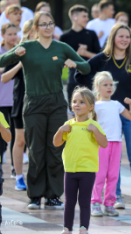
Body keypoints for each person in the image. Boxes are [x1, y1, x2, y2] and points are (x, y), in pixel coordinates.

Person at [0, 11, 91, 209]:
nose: (48, 27)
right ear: (35, 28)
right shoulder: (27, 47)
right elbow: (1, 61)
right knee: (36, 149)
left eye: (51, 23)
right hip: (33, 103)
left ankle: (52, 195)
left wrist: (74, 63)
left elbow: (86, 67)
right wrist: (14, 54)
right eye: (43, 24)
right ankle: (34, 195)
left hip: (57, 102)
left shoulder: (62, 47)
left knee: (56, 148)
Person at [75, 24, 131, 210]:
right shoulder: (101, 59)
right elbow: (80, 75)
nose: (124, 40)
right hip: (108, 113)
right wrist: (97, 89)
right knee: (110, 156)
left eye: (128, 36)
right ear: (113, 37)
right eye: (121, 36)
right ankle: (116, 195)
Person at [53, 87, 107, 234]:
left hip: (87, 170)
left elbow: (104, 143)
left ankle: (84, 227)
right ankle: (67, 228)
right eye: (74, 101)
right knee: (69, 202)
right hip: (70, 169)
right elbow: (56, 143)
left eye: (82, 102)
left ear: (91, 107)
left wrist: (95, 131)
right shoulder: (69, 125)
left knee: (84, 201)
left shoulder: (94, 125)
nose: (77, 104)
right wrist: (60, 130)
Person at [90, 72, 131, 217]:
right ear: (97, 87)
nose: (109, 87)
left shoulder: (117, 104)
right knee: (99, 174)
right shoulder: (95, 106)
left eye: (111, 85)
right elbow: (89, 123)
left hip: (116, 143)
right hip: (101, 143)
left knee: (113, 175)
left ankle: (109, 204)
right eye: (105, 85)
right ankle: (95, 203)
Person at [1, 20, 35, 191]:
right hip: (20, 100)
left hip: (40, 102)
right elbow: (4, 78)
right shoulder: (18, 51)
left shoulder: (49, 49)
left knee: (37, 142)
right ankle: (19, 176)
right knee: (19, 140)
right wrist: (21, 63)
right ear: (29, 32)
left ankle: (37, 179)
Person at [60, 5, 101, 113]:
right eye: (84, 16)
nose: (87, 19)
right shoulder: (65, 37)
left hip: (92, 78)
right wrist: (76, 55)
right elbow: (59, 59)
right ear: (75, 17)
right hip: (73, 79)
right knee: (74, 112)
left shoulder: (91, 34)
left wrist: (86, 53)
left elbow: (100, 57)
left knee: (93, 112)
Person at [0, 23, 17, 179]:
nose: (13, 37)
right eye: (9, 34)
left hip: (17, 101)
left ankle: (14, 167)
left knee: (17, 136)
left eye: (15, 34)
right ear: (3, 35)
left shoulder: (20, 52)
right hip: (1, 101)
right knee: (2, 139)